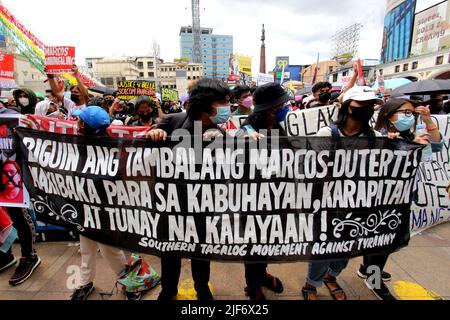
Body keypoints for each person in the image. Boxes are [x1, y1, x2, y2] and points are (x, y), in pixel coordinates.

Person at [145, 78, 232, 301]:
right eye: (223, 102)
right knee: (169, 251)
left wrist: (243, 140)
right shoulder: (172, 121)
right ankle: (168, 290)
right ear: (206, 104)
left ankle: (202, 287)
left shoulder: (220, 131)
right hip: (171, 202)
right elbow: (145, 138)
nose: (227, 107)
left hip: (203, 204)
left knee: (201, 250)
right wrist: (154, 133)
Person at [301, 86, 383, 301]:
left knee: (348, 247)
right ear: (347, 106)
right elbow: (315, 170)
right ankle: (312, 282)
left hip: (359, 204)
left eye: (370, 104)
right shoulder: (327, 134)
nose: (366, 108)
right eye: (361, 103)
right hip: (327, 204)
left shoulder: (376, 137)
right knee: (322, 246)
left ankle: (331, 276)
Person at [357, 98, 443, 300]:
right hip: (381, 200)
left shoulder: (411, 134)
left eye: (411, 113)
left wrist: (428, 121)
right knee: (382, 242)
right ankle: (374, 280)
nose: (409, 117)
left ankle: (367, 269)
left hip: (403, 197)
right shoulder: (378, 137)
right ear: (388, 115)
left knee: (383, 241)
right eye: (404, 112)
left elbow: (437, 147)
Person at [237, 83, 289, 300]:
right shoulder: (247, 130)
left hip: (276, 196)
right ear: (272, 108)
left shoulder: (277, 126)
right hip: (252, 201)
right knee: (253, 245)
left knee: (267, 242)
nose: (287, 107)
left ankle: (262, 274)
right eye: (283, 104)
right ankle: (254, 287)